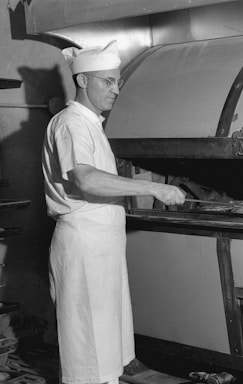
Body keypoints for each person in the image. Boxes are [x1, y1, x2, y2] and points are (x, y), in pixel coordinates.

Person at [41, 40, 186, 384]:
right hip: (84, 246)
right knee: (87, 353)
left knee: (105, 349)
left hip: (102, 247)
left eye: (117, 82)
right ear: (82, 81)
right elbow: (87, 180)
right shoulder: (71, 123)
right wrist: (154, 188)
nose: (116, 90)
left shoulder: (92, 123)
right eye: (107, 81)